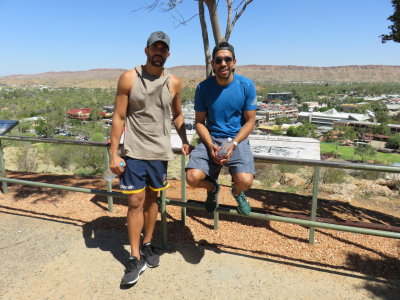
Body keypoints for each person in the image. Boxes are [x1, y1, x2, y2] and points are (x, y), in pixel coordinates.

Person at [108, 31, 190, 286]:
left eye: (162, 49)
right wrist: (113, 153)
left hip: (160, 152)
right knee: (135, 202)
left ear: (168, 54)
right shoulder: (129, 78)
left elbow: (177, 115)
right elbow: (119, 117)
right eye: (154, 48)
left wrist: (185, 140)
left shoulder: (174, 82)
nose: (158, 52)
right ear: (146, 51)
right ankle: (134, 258)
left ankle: (148, 244)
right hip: (134, 151)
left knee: (153, 200)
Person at [185, 41, 257, 216]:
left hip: (236, 139)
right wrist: (210, 145)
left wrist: (233, 144)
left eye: (227, 59)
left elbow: (250, 121)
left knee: (246, 181)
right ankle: (213, 187)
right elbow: (200, 122)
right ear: (213, 64)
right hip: (212, 137)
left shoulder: (246, 86)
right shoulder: (203, 87)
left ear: (234, 62)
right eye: (218, 60)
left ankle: (238, 192)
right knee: (192, 178)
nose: (223, 64)